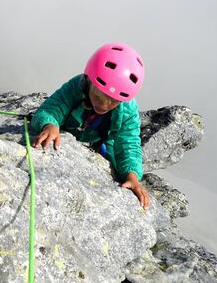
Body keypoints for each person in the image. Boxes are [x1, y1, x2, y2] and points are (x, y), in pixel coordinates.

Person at [31, 43, 150, 209]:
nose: (104, 105)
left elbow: (128, 144)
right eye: (98, 96)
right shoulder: (77, 85)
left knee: (116, 165)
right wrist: (50, 124)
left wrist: (132, 176)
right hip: (70, 131)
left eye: (113, 101)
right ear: (89, 81)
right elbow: (53, 108)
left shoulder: (128, 109)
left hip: (101, 141)